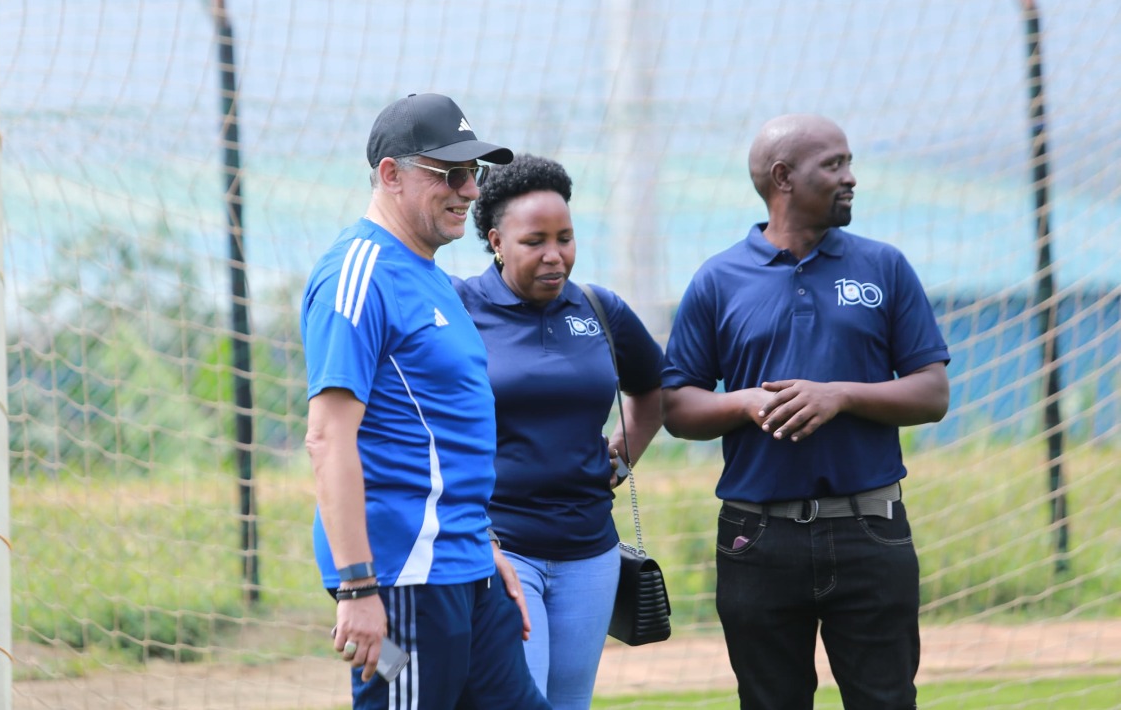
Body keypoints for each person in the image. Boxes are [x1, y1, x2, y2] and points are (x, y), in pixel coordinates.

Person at [661, 114, 951, 710]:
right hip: (756, 539)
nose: (851, 178)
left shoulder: (884, 267)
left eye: (849, 162)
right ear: (783, 177)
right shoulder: (717, 279)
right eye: (834, 164)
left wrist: (839, 394)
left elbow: (932, 393)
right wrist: (744, 402)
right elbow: (678, 408)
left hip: (871, 530)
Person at [300, 93, 551, 710]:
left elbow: (443, 433)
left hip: (467, 569)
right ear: (391, 174)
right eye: (451, 173)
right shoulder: (358, 274)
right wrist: (357, 589)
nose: (470, 190)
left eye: (474, 172)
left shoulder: (433, 277)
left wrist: (484, 545)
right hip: (401, 582)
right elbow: (327, 438)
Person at [452, 154, 664, 709]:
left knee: (570, 702)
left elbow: (652, 390)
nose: (555, 255)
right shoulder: (460, 307)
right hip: (501, 547)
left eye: (565, 238)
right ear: (497, 242)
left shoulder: (599, 308)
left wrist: (621, 459)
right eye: (535, 241)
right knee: (520, 699)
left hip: (590, 552)